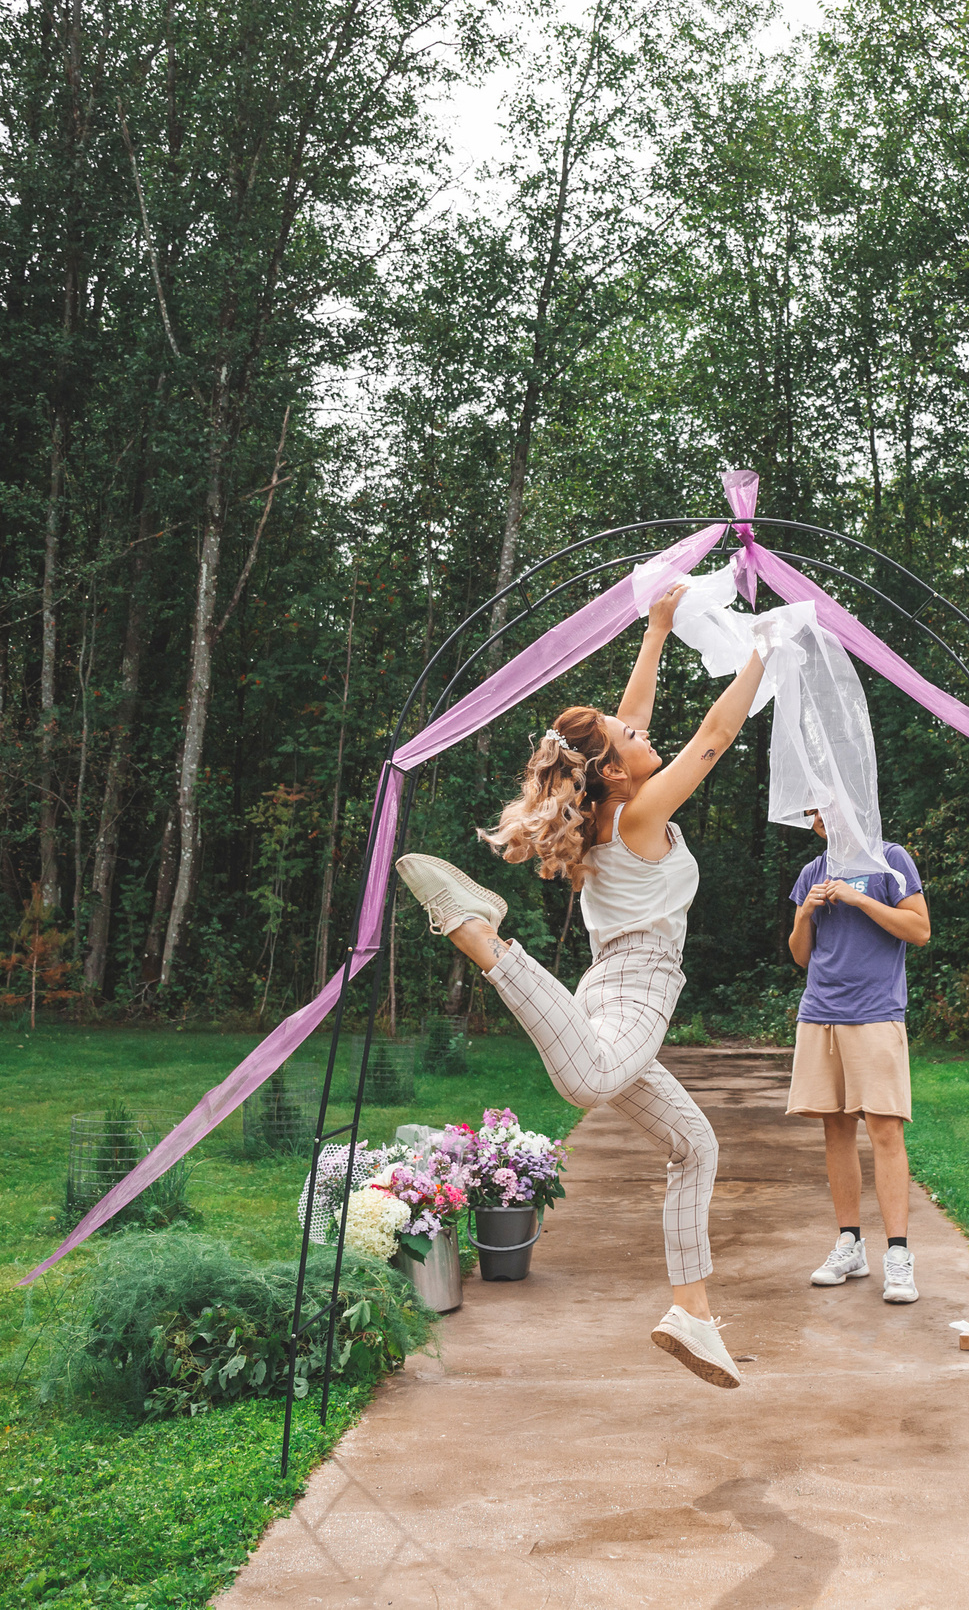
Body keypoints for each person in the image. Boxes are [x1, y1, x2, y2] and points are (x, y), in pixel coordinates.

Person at [392, 582, 759, 1389]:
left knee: (694, 1141)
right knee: (589, 1080)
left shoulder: (612, 805)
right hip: (634, 989)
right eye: (631, 736)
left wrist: (658, 631)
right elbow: (717, 731)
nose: (642, 729)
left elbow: (627, 726)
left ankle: (693, 1314)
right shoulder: (640, 811)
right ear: (617, 772)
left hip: (605, 992)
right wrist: (765, 651)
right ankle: (486, 939)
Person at [786, 807, 929, 1303]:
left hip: (876, 1014)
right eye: (810, 813)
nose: (816, 818)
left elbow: (919, 930)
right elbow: (801, 955)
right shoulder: (811, 872)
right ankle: (850, 1243)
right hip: (820, 1013)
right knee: (835, 1127)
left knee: (885, 1129)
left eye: (823, 807)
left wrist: (857, 898)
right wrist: (805, 912)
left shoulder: (890, 860)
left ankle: (897, 1254)